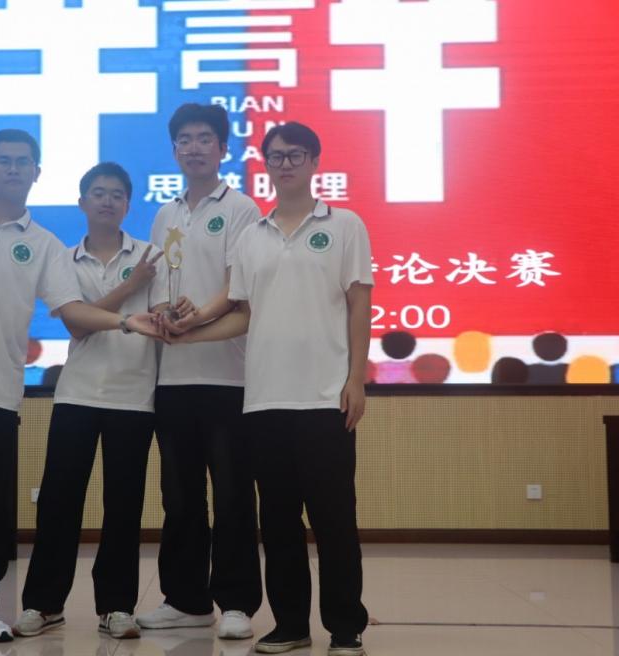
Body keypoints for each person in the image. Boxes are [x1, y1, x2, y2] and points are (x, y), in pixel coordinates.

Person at [0, 130, 159, 647]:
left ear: (37, 173)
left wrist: (126, 321)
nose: (14, 169)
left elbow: (73, 313)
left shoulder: (46, 246)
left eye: (23, 162)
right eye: (4, 161)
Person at [163, 122, 373, 656]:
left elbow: (358, 304)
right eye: (275, 156)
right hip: (262, 402)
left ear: (314, 160)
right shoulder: (251, 235)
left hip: (325, 399)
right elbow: (243, 313)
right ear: (265, 164)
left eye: (295, 155)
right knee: (277, 522)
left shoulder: (344, 225)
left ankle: (345, 627)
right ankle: (291, 625)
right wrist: (188, 333)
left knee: (334, 519)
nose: (285, 164)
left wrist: (355, 379)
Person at [15, 162, 176, 640]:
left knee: (124, 504)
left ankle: (117, 606)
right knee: (59, 501)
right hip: (77, 395)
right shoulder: (64, 259)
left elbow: (159, 314)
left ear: (128, 204)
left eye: (117, 194)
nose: (107, 201)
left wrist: (161, 309)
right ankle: (44, 604)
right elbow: (77, 324)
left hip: (134, 397)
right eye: (99, 193)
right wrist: (129, 291)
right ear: (82, 202)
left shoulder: (151, 255)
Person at [137, 103, 262, 640]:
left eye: (204, 138)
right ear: (174, 150)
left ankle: (236, 602)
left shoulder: (241, 208)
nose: (194, 147)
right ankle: (186, 600)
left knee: (232, 494)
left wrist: (196, 317)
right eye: (184, 139)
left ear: (223, 148)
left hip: (228, 377)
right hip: (173, 379)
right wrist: (165, 314)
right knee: (180, 496)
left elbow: (238, 286)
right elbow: (158, 286)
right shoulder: (165, 215)